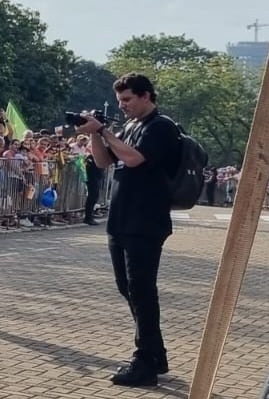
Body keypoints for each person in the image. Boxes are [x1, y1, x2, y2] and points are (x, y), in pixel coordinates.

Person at [77, 73, 181, 387]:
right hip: (122, 219)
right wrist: (95, 134)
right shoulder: (130, 126)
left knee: (142, 291)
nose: (123, 106)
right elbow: (104, 161)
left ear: (146, 96)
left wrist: (105, 130)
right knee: (128, 289)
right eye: (120, 100)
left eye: (127, 100)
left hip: (146, 220)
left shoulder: (161, 126)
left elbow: (134, 159)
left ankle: (145, 361)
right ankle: (155, 351)